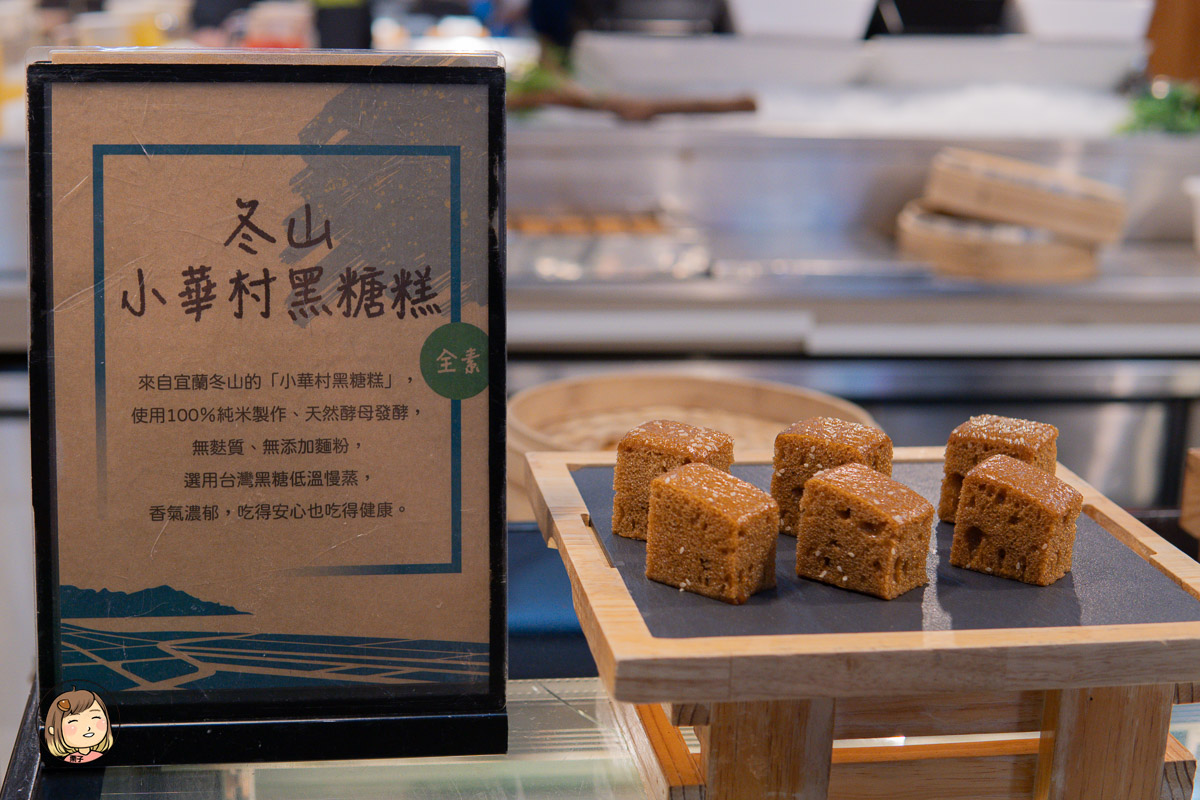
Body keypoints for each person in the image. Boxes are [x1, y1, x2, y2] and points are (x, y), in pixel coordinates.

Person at [44, 689, 114, 764]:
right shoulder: (68, 759)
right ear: (53, 730)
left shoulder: (99, 755)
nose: (88, 728)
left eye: (95, 718)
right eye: (73, 722)